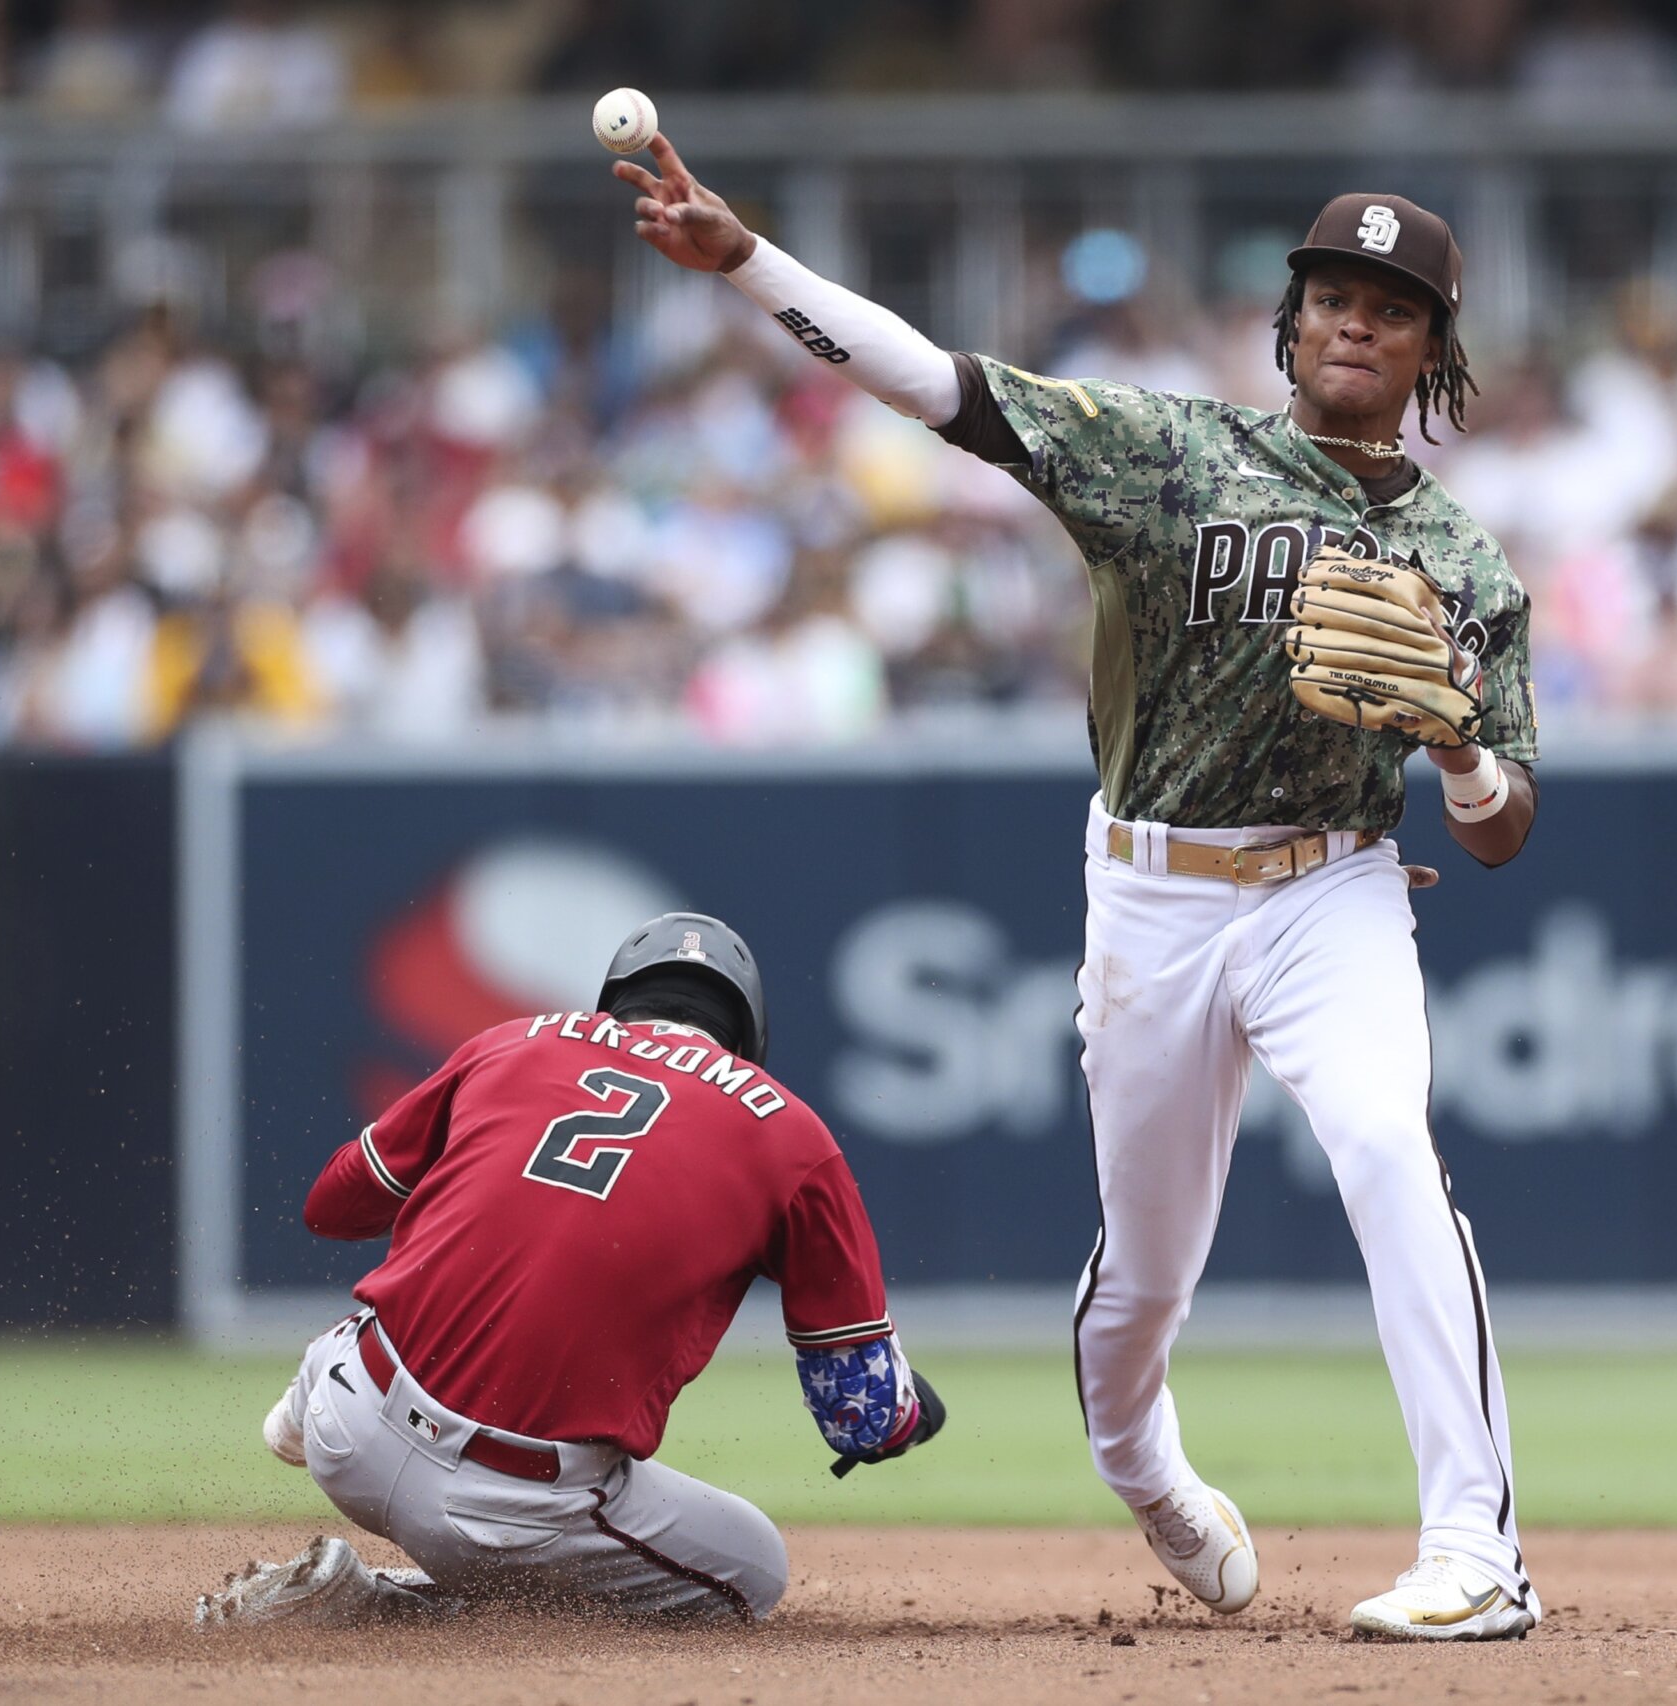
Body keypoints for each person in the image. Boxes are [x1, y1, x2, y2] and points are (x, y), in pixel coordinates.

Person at [617, 136, 1543, 1641]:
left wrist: (1453, 750)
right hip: (1154, 895)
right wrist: (750, 264)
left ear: (1437, 346)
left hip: (1335, 889)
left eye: (1393, 304)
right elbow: (941, 386)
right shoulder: (1170, 454)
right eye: (1333, 295)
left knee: (1387, 1142)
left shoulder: (1461, 560)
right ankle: (1140, 1458)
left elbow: (1502, 823)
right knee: (1144, 1280)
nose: (1357, 322)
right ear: (1291, 322)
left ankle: (1475, 1549)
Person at [197, 912, 945, 1626]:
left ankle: (306, 1409)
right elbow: (861, 1420)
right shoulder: (791, 1135)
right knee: (756, 1571)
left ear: (617, 998)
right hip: (508, 1507)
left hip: (346, 1419)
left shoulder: (512, 1041)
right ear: (747, 1034)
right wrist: (910, 1414)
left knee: (401, 1309)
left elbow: (332, 1208)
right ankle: (389, 1607)